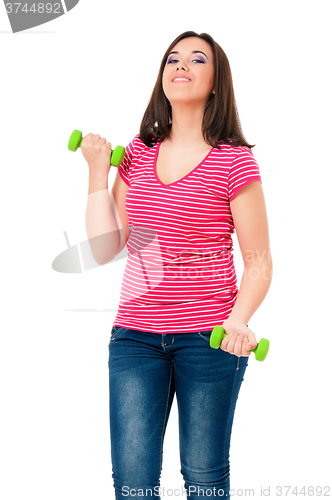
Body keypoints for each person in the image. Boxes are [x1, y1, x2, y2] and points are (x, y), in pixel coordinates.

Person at [83, 31, 272, 500]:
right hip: (135, 339)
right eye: (172, 59)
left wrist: (239, 318)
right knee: (132, 487)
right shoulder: (138, 154)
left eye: (196, 58)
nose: (181, 65)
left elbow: (259, 262)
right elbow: (106, 248)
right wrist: (95, 173)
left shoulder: (234, 161)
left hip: (209, 340)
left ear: (215, 81)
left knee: (205, 482)